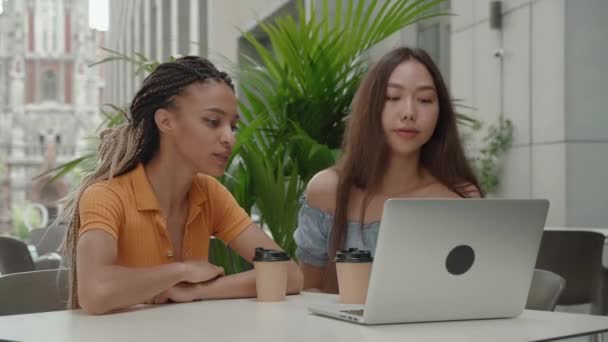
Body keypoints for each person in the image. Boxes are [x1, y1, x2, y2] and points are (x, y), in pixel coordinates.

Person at [58, 56, 302, 314]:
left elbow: (288, 274)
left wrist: (197, 291)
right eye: (212, 121)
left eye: (233, 126)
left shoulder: (210, 193)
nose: (229, 138)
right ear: (166, 122)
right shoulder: (106, 196)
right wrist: (181, 271)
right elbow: (94, 292)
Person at [294, 47, 482, 293]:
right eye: (393, 97)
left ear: (440, 113)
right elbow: (308, 292)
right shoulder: (327, 190)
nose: (409, 113)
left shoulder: (458, 198)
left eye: (425, 100)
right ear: (371, 106)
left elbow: (470, 297)